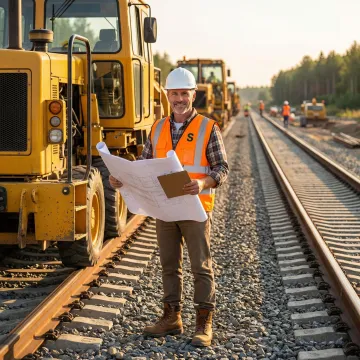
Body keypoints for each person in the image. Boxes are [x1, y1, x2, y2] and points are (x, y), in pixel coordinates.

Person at [109, 67, 229, 347]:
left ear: (193, 95)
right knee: (169, 265)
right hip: (164, 208)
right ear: (167, 95)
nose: (179, 98)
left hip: (194, 207)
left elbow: (221, 168)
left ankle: (203, 322)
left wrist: (201, 184)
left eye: (183, 93)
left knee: (201, 266)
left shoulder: (208, 128)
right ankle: (172, 317)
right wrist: (121, 178)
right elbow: (144, 166)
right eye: (174, 93)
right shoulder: (158, 126)